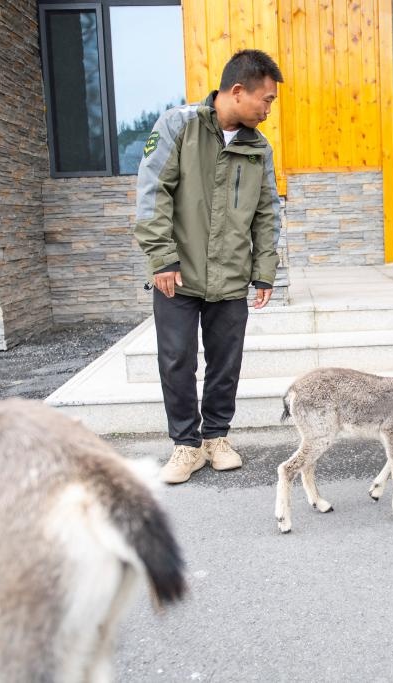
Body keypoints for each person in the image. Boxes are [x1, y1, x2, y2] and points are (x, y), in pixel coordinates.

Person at [133, 49, 283, 484]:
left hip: (231, 277)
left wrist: (265, 269)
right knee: (177, 360)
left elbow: (266, 212)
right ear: (238, 91)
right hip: (176, 275)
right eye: (267, 100)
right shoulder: (178, 125)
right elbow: (152, 192)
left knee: (225, 362)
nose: (269, 110)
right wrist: (160, 257)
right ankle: (186, 445)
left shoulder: (260, 148)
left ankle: (216, 437)